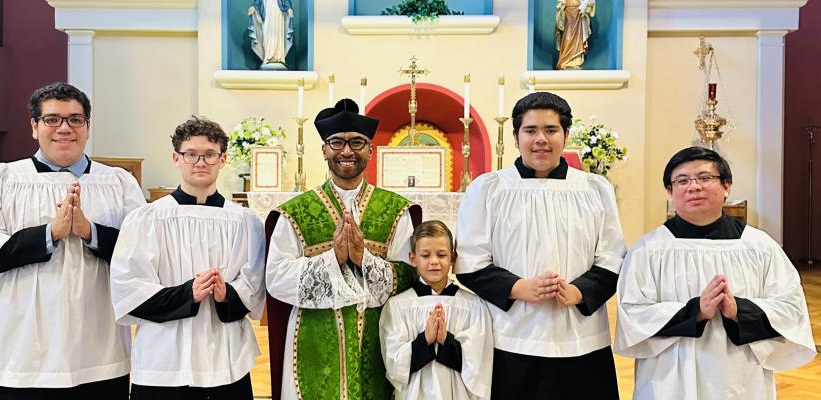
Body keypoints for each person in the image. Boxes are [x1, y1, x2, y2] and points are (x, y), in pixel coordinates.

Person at [0, 82, 146, 399]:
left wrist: (90, 232)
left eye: (75, 119)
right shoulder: (0, 180)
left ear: (87, 127)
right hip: (20, 348)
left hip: (98, 348)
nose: (64, 128)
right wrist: (50, 233)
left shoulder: (118, 183)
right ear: (34, 126)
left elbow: (144, 255)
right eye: (52, 119)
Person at [454, 92, 626, 399]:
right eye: (531, 130)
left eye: (551, 130)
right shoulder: (490, 189)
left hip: (579, 336)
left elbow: (613, 256)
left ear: (566, 135)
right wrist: (519, 288)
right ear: (516, 135)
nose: (541, 140)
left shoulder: (593, 189)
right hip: (510, 335)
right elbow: (470, 259)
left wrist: (580, 291)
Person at [615, 146, 816, 399]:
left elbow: (791, 307)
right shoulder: (648, 249)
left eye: (705, 178)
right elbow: (633, 313)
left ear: (726, 186)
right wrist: (695, 311)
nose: (694, 187)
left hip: (740, 376)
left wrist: (739, 310)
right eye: (682, 180)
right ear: (670, 191)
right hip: (669, 377)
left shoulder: (759, 246)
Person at [265, 98, 421, 400]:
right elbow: (276, 278)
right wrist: (332, 259)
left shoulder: (395, 211)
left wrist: (364, 259)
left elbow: (410, 274)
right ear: (324, 149)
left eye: (357, 143)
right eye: (336, 143)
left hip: (379, 339)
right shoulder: (295, 212)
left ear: (371, 151)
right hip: (312, 339)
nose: (347, 151)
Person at [109, 116, 266, 400]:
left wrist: (226, 294)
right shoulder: (147, 219)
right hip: (164, 360)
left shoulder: (245, 222)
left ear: (223, 159)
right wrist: (187, 294)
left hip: (226, 358)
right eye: (191, 154)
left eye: (209, 154)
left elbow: (253, 286)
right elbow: (128, 288)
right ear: (176, 158)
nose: (200, 162)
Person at [379, 220, 493, 400]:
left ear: (453, 259)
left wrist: (445, 341)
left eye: (441, 254)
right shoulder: (398, 306)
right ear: (413, 259)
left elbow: (480, 364)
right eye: (425, 255)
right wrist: (425, 340)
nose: (434, 262)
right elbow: (394, 363)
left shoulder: (473, 306)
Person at [248, 0, 294, 69]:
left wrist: (289, 8)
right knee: (266, 31)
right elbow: (258, 1)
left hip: (278, 10)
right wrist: (254, 7)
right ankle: (267, 55)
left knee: (278, 32)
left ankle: (279, 56)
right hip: (267, 9)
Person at [555, 0, 595, 70]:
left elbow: (591, 2)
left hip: (578, 12)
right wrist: (562, 4)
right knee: (567, 37)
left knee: (578, 36)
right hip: (567, 12)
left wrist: (585, 4)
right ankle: (565, 61)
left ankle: (576, 62)